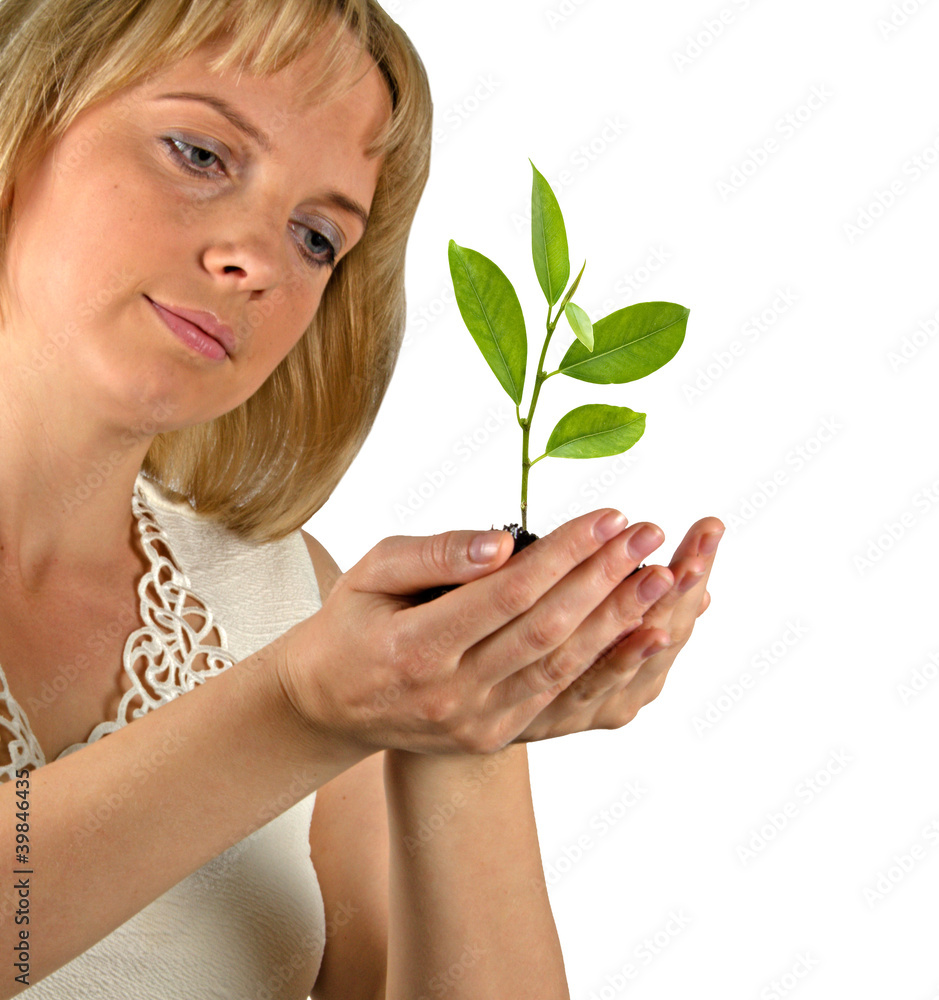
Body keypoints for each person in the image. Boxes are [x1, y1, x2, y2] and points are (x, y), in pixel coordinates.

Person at [0, 0, 724, 996]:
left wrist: (465, 712)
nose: (257, 261)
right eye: (200, 154)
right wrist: (301, 712)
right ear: (22, 112)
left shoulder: (286, 600)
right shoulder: (311, 665)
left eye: (315, 236)